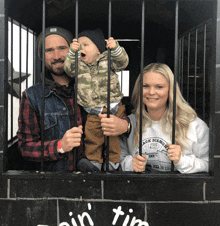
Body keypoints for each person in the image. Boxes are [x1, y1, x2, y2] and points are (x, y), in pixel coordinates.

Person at [17, 26, 130, 172]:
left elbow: (123, 115)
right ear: (42, 56)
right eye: (49, 50)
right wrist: (59, 146)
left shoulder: (95, 85)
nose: (57, 55)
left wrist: (125, 125)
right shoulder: (32, 97)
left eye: (62, 48)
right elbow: (26, 147)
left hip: (101, 180)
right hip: (58, 183)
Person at [120, 63, 209, 174]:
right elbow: (117, 160)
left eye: (159, 87)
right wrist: (130, 164)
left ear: (170, 90)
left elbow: (209, 165)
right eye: (145, 86)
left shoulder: (193, 125)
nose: (151, 92)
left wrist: (182, 160)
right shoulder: (129, 123)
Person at [63, 28, 129, 171]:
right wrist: (72, 53)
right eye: (79, 45)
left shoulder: (108, 59)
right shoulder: (78, 65)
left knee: (113, 137)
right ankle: (94, 163)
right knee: (92, 137)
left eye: (85, 44)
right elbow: (68, 69)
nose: (81, 47)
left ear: (99, 50)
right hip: (93, 110)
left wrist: (116, 49)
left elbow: (122, 63)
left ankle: (112, 163)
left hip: (114, 107)